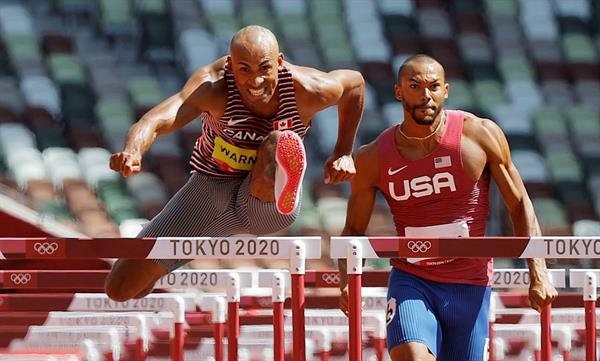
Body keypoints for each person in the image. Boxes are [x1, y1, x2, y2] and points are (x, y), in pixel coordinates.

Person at [105, 25, 364, 302]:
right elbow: (155, 120)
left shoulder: (308, 89)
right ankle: (171, 258)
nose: (255, 81)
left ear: (279, 62)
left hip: (264, 202)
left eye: (265, 69)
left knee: (277, 140)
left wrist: (343, 152)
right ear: (230, 66)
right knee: (121, 288)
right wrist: (133, 151)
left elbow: (355, 84)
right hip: (209, 190)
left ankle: (284, 172)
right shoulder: (213, 87)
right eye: (244, 70)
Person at [337, 54, 557, 361]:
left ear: (446, 91)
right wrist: (348, 280)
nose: (425, 95)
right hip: (412, 279)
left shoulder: (479, 135)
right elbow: (354, 229)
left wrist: (539, 271)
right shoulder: (372, 157)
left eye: (433, 86)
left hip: (470, 285)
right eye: (414, 86)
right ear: (398, 91)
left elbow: (519, 204)